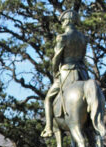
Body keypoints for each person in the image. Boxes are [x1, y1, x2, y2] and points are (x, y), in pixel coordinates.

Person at [41, 9, 90, 138]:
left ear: (67, 21)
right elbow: (83, 56)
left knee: (48, 98)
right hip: (82, 73)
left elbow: (57, 57)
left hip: (67, 73)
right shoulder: (83, 38)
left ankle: (48, 128)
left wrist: (55, 71)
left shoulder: (63, 37)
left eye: (62, 21)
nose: (62, 24)